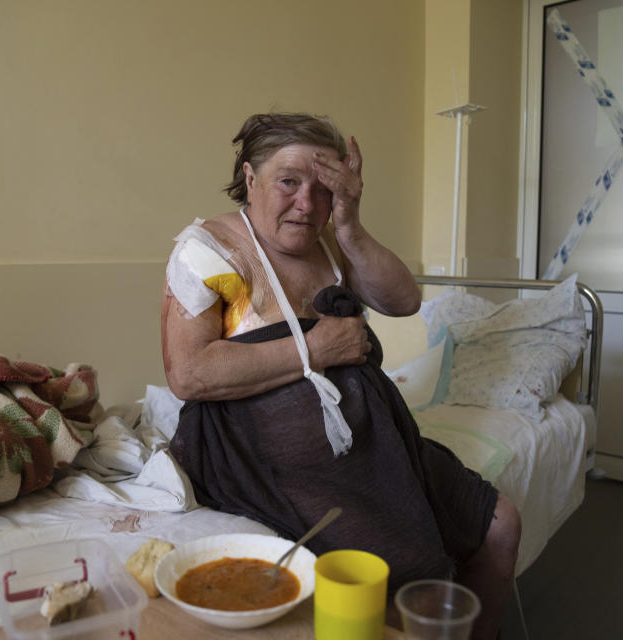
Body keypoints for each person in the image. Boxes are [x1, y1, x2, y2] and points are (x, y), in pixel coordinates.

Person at [161, 112, 520, 639]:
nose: (307, 203)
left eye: (324, 187)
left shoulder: (331, 241)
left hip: (375, 446)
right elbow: (188, 374)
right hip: (268, 466)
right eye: (289, 181)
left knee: (501, 526)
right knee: (387, 580)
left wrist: (349, 224)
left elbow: (404, 300)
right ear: (251, 177)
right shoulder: (208, 252)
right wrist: (314, 348)